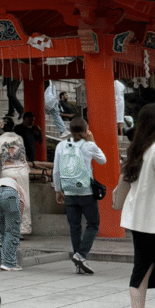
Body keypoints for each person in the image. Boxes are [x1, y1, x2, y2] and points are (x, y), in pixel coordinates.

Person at [117, 104, 155, 308]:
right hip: (152, 219)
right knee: (144, 268)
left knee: (141, 268)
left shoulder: (137, 150)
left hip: (138, 219)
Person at [53, 117, 107, 275]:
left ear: (70, 130)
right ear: (86, 129)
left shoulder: (61, 145)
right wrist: (93, 141)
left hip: (69, 190)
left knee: (74, 227)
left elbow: (56, 170)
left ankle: (79, 263)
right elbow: (103, 160)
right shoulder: (88, 145)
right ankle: (81, 254)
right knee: (93, 224)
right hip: (85, 191)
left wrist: (58, 189)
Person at [0, 117, 32, 236]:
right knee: (23, 198)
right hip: (22, 171)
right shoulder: (19, 138)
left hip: (8, 171)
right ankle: (22, 228)